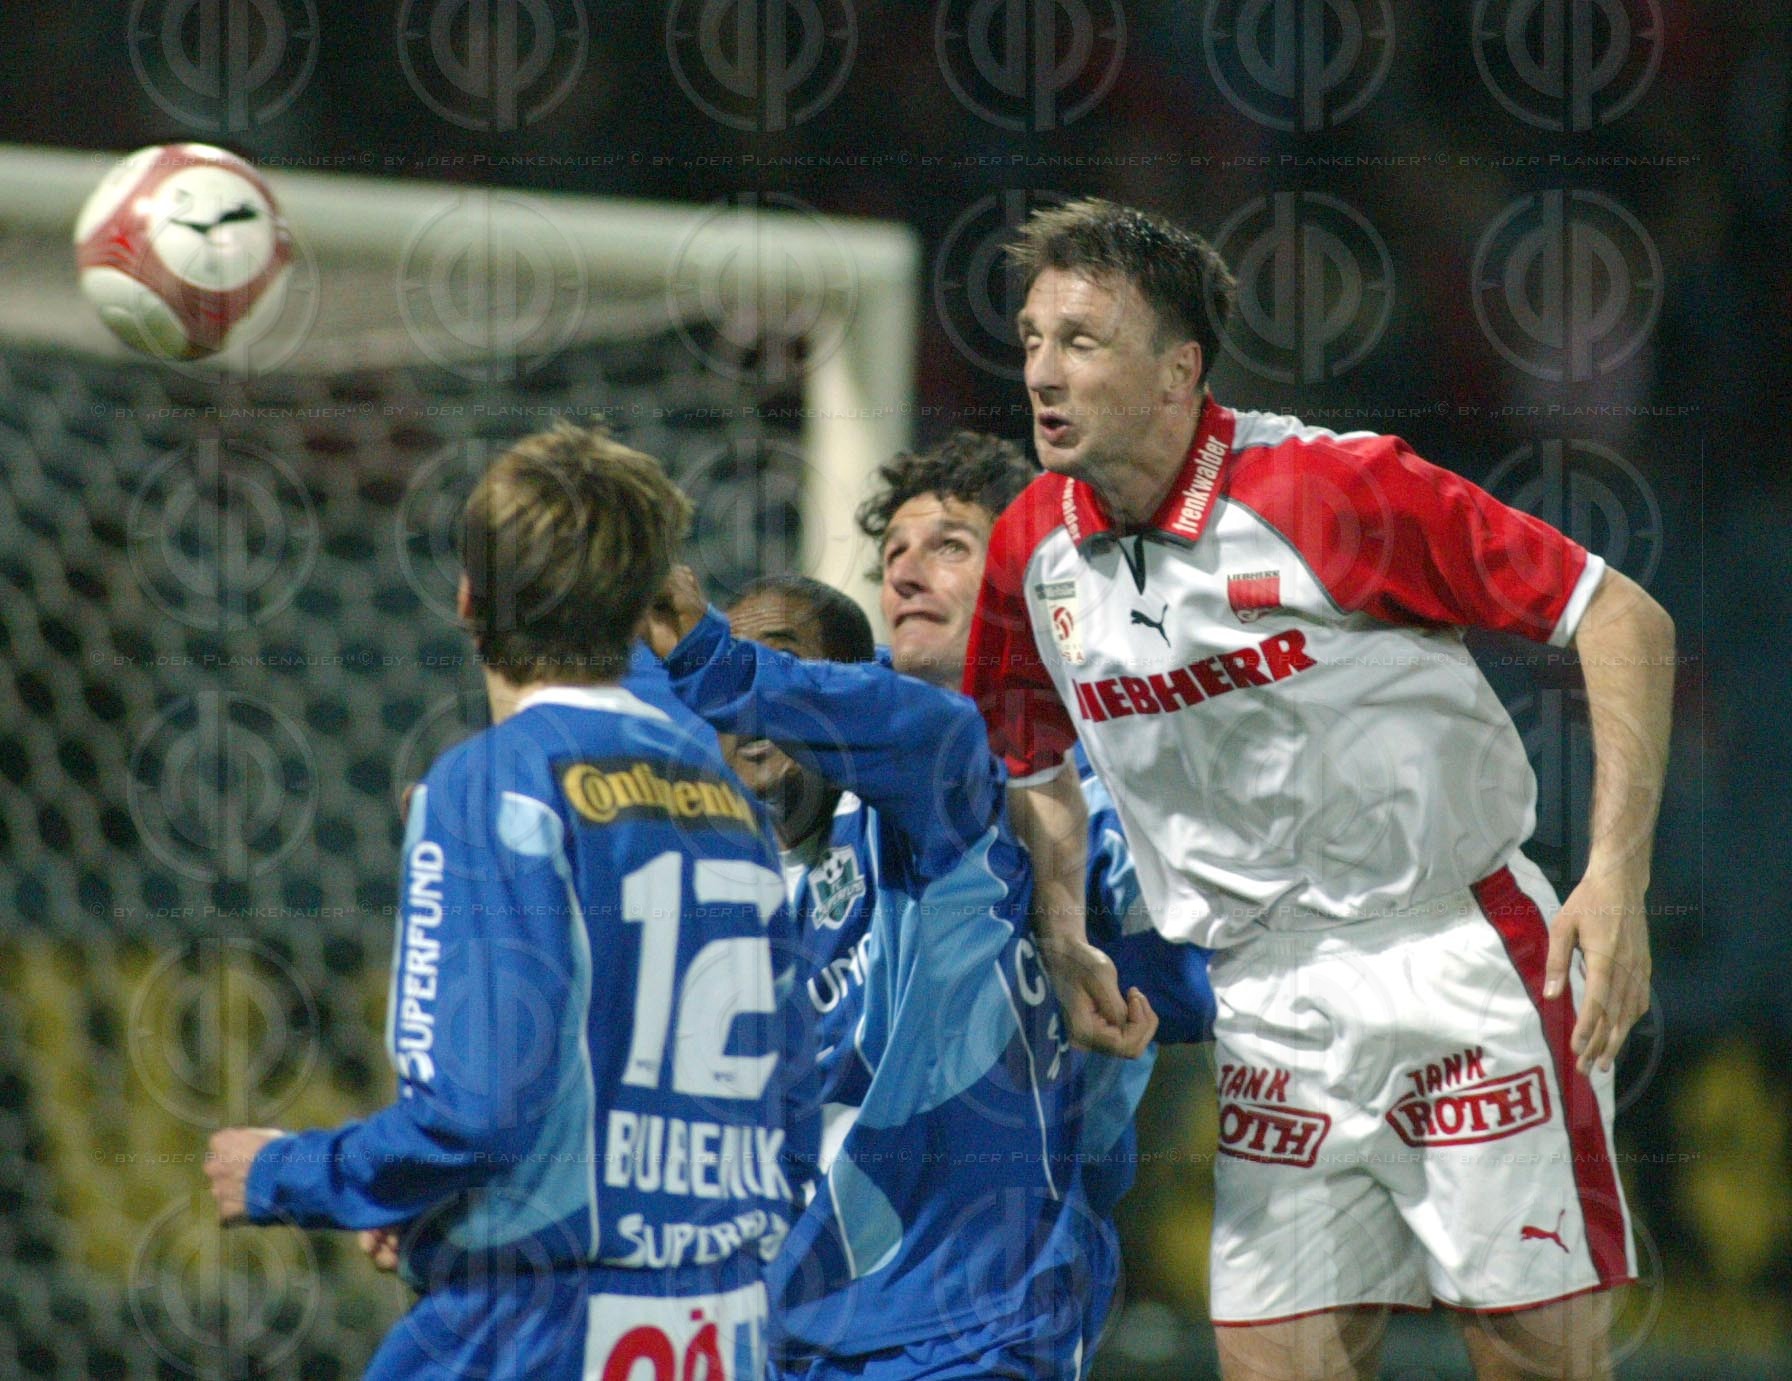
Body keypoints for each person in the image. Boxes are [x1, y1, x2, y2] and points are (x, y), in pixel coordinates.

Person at [961, 200, 1675, 1380]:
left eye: (1081, 342)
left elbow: (1621, 617)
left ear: (1178, 370)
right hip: (1267, 1001)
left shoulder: (1333, 490)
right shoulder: (1030, 550)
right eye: (1031, 338)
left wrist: (1617, 877)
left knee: (1533, 1362)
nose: (1041, 370)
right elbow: (1028, 760)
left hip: (1462, 962)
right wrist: (1065, 927)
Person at [205, 424, 813, 1380]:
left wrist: (285, 1174)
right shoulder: (728, 801)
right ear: (639, 607)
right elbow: (789, 1100)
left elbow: (476, 1115)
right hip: (719, 1323)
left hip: (534, 1325)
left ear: (468, 601)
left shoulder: (493, 784)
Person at [646, 568, 1146, 1380]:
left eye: (780, 667)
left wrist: (717, 656)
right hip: (792, 1334)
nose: (750, 705)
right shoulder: (701, 891)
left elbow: (922, 728)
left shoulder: (933, 809)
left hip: (970, 1324)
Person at [858, 430, 1215, 1048]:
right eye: (893, 554)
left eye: (948, 547)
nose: (906, 576)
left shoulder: (1110, 783)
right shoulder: (842, 761)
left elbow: (1199, 993)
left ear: (1015, 577)